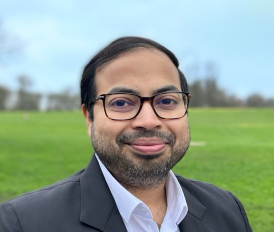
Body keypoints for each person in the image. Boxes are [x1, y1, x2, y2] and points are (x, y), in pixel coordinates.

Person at [0, 37, 253, 232]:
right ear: (89, 117)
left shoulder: (227, 210)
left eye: (166, 101)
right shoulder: (21, 223)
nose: (148, 121)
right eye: (121, 103)